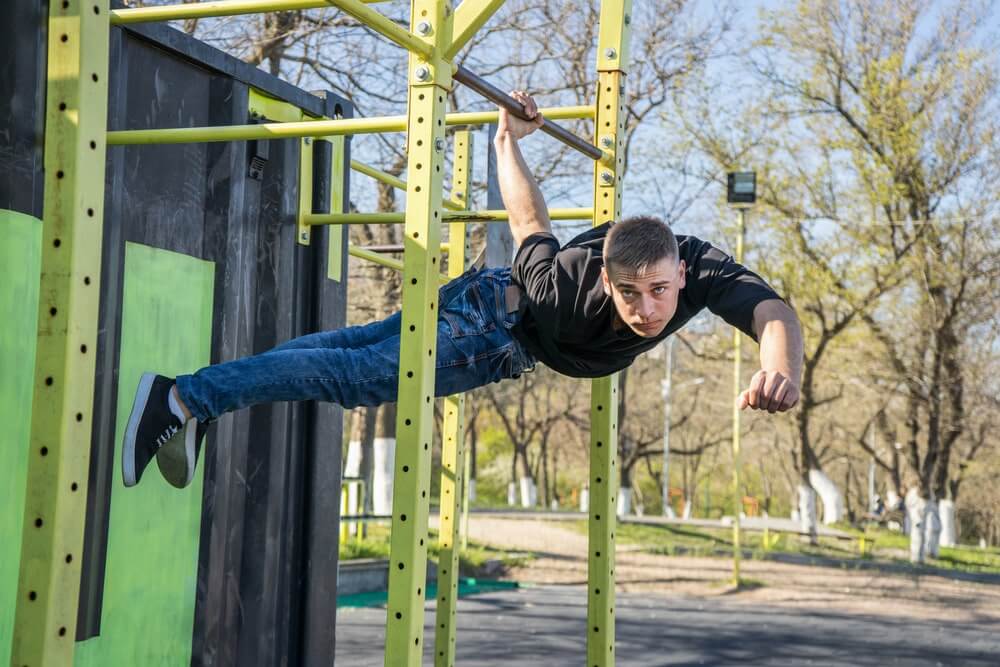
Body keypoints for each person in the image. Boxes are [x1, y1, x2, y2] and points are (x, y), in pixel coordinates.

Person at [123, 91, 803, 489]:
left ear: (681, 274)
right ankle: (183, 396)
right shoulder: (565, 285)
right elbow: (529, 222)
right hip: (489, 332)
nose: (645, 308)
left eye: (658, 290)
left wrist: (779, 368)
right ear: (605, 277)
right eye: (629, 293)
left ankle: (203, 400)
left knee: (347, 345)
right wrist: (506, 141)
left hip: (480, 296)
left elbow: (772, 310)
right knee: (353, 376)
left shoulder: (701, 265)